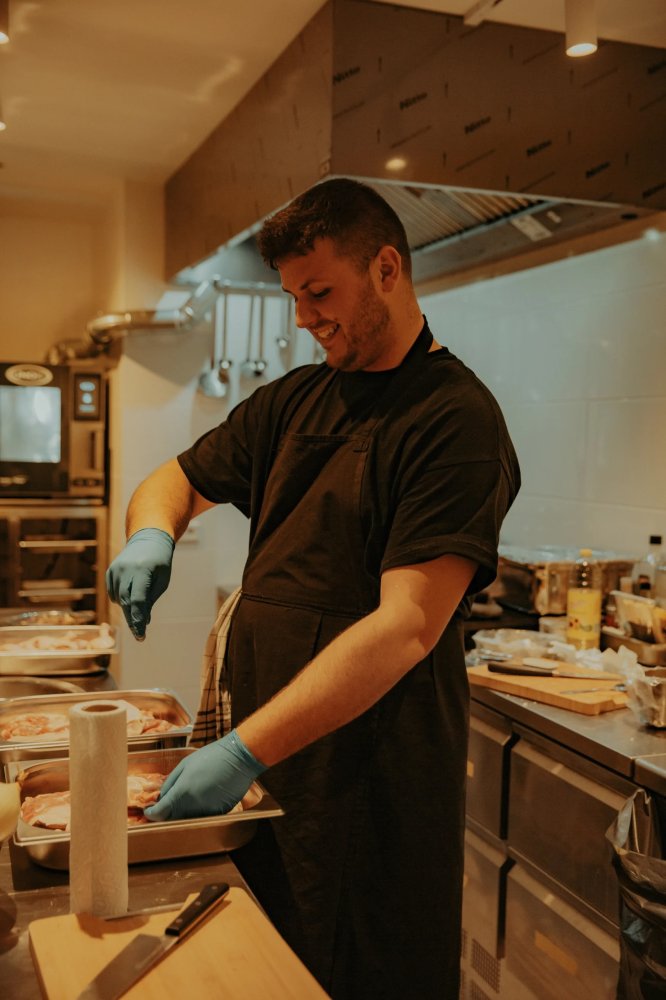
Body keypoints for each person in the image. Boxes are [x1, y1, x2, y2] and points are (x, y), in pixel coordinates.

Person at [106, 177, 520, 999]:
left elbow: (406, 626)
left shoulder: (455, 419)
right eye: (293, 296)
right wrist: (153, 533)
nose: (303, 317)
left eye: (320, 292)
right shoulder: (296, 398)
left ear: (387, 269)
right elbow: (173, 480)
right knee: (264, 966)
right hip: (272, 759)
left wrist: (242, 750)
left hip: (372, 778)